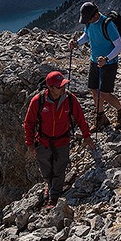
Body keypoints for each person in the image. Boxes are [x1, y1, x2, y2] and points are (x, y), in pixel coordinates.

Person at [24, 70, 95, 207]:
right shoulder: (38, 101)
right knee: (46, 170)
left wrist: (87, 136)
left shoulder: (69, 99)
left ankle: (54, 196)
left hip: (62, 141)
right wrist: (30, 143)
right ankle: (50, 186)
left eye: (63, 85)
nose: (63, 88)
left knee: (59, 170)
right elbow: (29, 123)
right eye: (60, 86)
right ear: (49, 88)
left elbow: (80, 118)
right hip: (43, 142)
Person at [69, 2, 121, 131]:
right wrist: (77, 43)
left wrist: (107, 58)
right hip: (95, 61)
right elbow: (87, 35)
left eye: (89, 19)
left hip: (109, 64)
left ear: (96, 14)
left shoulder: (108, 25)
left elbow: (119, 46)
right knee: (94, 90)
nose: (88, 22)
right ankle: (101, 117)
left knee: (105, 94)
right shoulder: (89, 22)